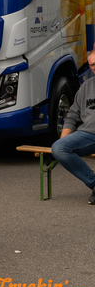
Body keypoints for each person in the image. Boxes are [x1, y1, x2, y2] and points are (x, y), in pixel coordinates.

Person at [51, 50, 95, 204]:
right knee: (58, 148)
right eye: (91, 65)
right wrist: (64, 141)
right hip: (87, 135)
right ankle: (94, 183)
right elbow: (73, 115)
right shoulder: (86, 87)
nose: (94, 67)